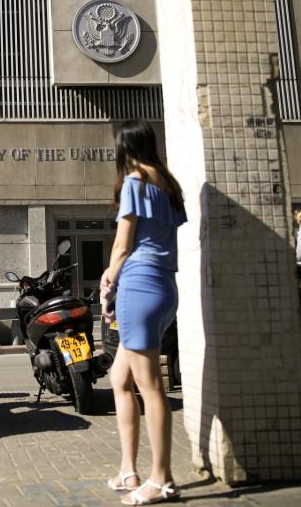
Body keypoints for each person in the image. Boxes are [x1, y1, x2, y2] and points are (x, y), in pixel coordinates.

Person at [100, 120, 187, 506]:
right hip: (165, 287)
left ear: (126, 148)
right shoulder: (167, 185)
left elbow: (122, 244)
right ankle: (129, 470)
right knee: (121, 378)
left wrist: (108, 280)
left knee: (150, 385)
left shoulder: (135, 181)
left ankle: (162, 479)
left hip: (139, 283)